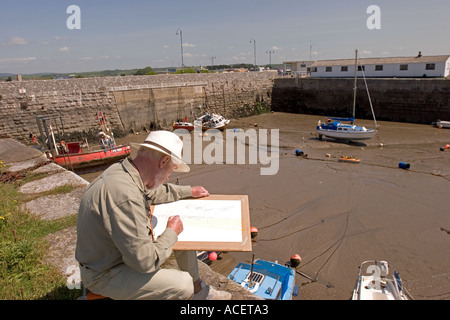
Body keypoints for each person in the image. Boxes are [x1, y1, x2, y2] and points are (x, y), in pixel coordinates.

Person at [75, 130, 231, 300]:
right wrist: (171, 232)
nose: (168, 177)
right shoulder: (126, 196)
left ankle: (197, 287)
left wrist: (188, 191)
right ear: (164, 161)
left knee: (180, 234)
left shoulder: (124, 172)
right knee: (182, 285)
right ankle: (191, 289)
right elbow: (145, 262)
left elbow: (153, 193)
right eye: (171, 170)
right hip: (104, 274)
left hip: (111, 259)